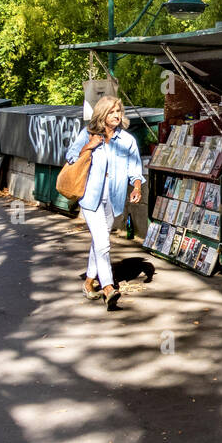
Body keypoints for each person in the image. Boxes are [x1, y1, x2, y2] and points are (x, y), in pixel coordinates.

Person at [65, 96, 143, 310]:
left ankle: (89, 283)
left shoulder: (127, 141)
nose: (117, 115)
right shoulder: (87, 134)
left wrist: (136, 187)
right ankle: (108, 288)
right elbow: (71, 157)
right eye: (111, 112)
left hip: (114, 199)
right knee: (103, 243)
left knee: (99, 244)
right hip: (90, 198)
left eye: (118, 111)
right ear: (102, 115)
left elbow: (135, 169)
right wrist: (89, 146)